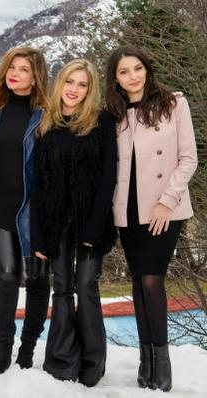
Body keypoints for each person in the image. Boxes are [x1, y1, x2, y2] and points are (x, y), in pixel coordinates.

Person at [105, 46, 198, 392]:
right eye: (124, 71)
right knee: (137, 282)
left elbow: (188, 158)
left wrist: (166, 201)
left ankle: (163, 365)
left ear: (148, 69)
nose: (133, 76)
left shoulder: (174, 103)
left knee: (152, 281)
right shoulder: (113, 113)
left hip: (163, 208)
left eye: (137, 68)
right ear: (115, 78)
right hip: (127, 211)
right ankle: (146, 362)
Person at [31, 59, 117, 386]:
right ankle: (62, 363)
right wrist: (38, 235)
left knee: (86, 286)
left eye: (82, 84)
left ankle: (92, 365)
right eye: (69, 81)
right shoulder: (46, 123)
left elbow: (109, 177)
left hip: (91, 220)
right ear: (60, 83)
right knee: (62, 288)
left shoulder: (103, 122)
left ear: (90, 89)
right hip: (55, 222)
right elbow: (38, 182)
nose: (74, 89)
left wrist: (95, 226)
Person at [0, 46, 51, 378]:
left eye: (23, 70)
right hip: (1, 210)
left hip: (36, 213)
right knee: (5, 278)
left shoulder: (47, 114)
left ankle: (27, 353)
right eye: (11, 68)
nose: (14, 74)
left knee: (37, 281)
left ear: (36, 77)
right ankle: (2, 353)